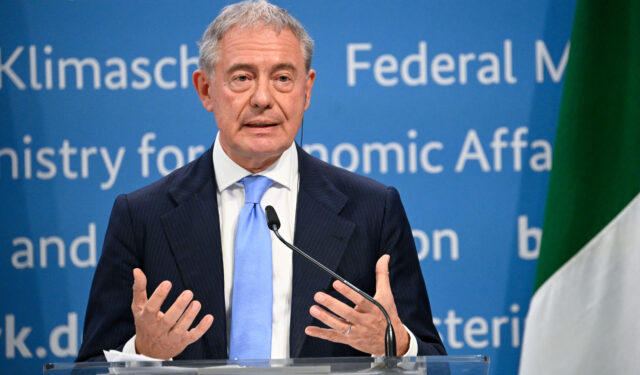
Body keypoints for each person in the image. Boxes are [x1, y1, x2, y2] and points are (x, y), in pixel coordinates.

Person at [76, 0, 445, 362]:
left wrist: (396, 346)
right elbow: (89, 367)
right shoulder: (141, 217)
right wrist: (141, 355)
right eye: (242, 78)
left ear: (307, 90)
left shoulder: (373, 210)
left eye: (283, 78)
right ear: (205, 90)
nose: (263, 99)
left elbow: (433, 361)